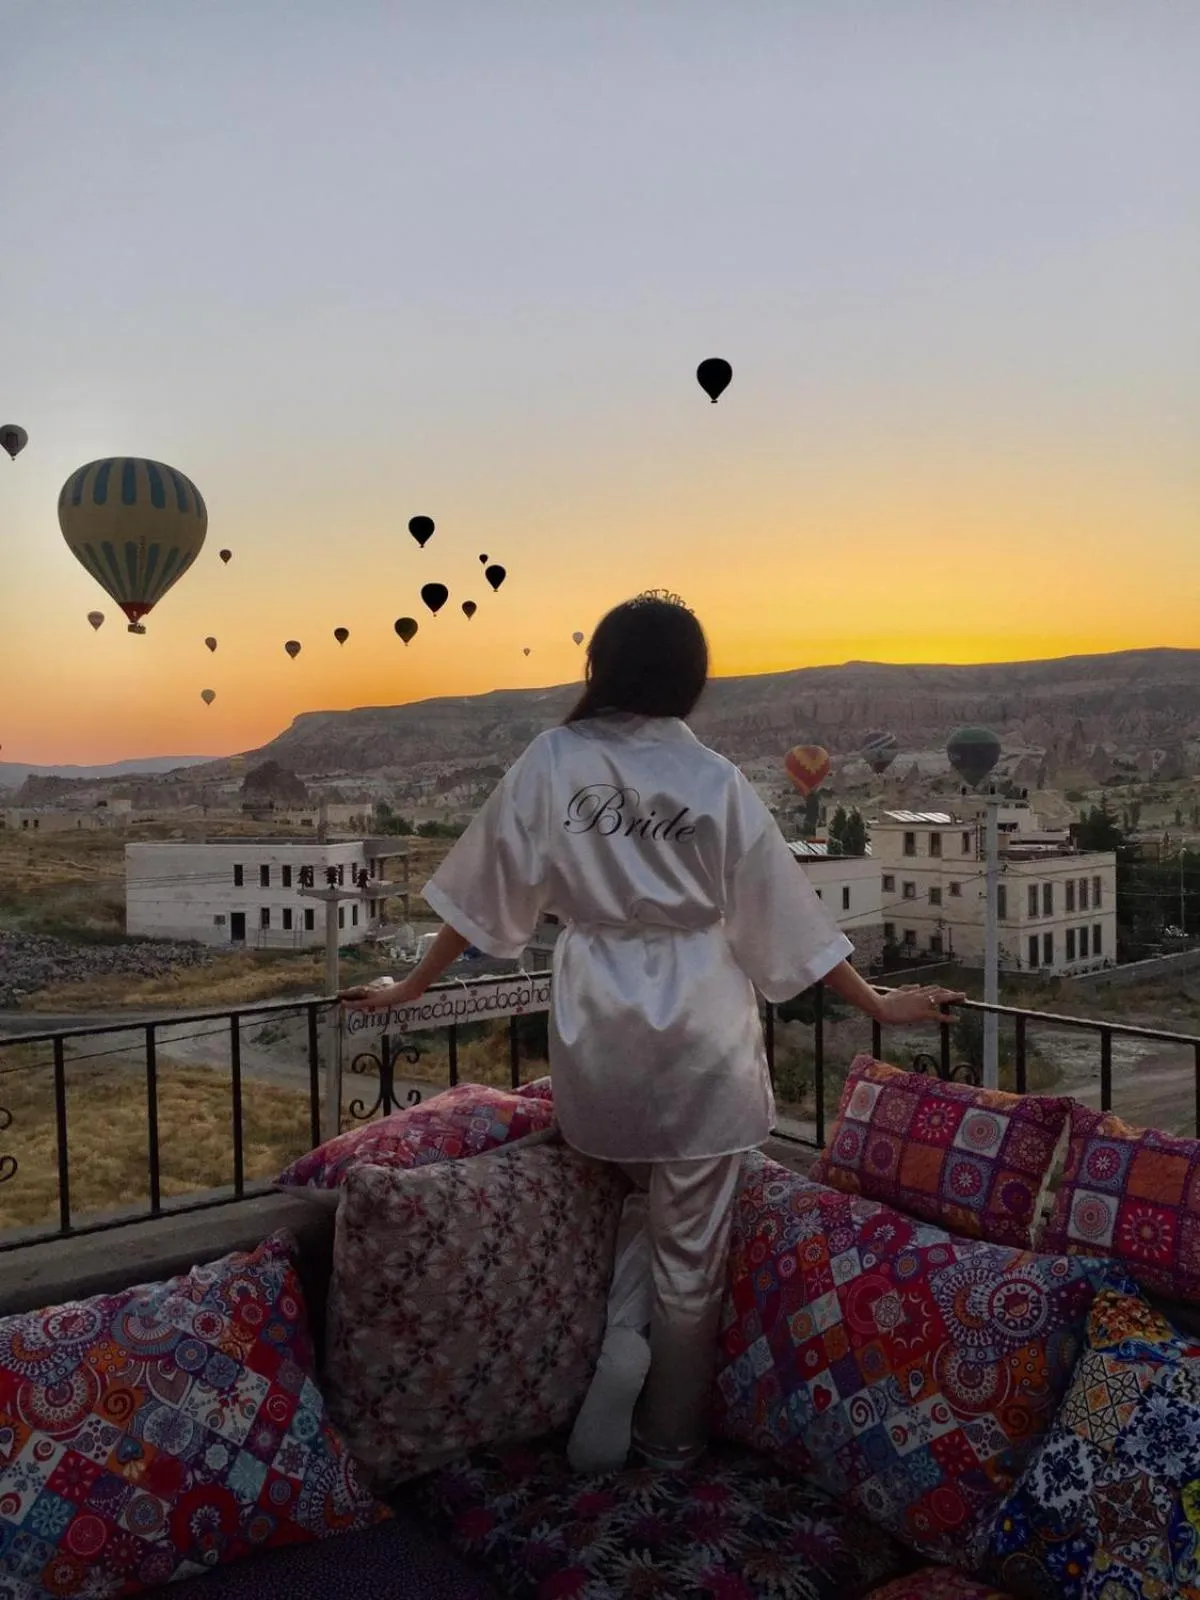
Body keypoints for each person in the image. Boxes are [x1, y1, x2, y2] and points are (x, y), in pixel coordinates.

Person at [340, 593, 962, 1474]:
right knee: (691, 1259)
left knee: (633, 1190)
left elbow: (482, 893)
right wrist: (878, 1004)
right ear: (689, 678)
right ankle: (668, 1441)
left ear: (602, 667)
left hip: (599, 1031)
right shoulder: (714, 780)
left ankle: (617, 1347)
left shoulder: (553, 760)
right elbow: (783, 915)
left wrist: (409, 986)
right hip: (700, 1034)